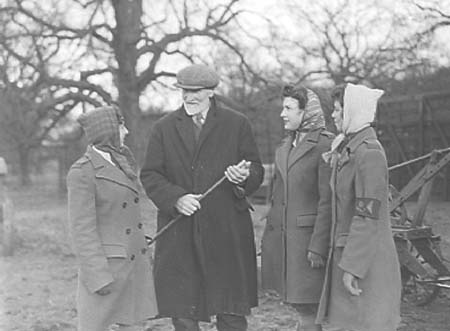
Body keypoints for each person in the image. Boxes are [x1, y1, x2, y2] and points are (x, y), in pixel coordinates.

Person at [140, 64, 264, 331]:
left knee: (230, 311)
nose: (189, 97)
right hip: (180, 233)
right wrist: (176, 199)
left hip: (226, 231)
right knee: (183, 313)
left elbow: (255, 168)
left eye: (196, 91)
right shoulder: (163, 127)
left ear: (211, 92)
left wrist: (243, 176)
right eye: (185, 91)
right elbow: (150, 175)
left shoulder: (236, 123)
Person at [316, 83, 401, 331]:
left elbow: (367, 217)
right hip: (351, 256)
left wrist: (353, 268)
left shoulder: (369, 154)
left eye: (337, 109)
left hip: (366, 265)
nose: (332, 115)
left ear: (353, 111)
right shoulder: (349, 148)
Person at [66, 106, 158, 331]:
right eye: (121, 127)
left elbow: (124, 215)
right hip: (107, 270)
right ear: (108, 132)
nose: (126, 131)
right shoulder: (83, 172)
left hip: (133, 264)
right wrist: (97, 276)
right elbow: (82, 230)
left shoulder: (121, 161)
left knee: (134, 326)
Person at [261, 84, 333, 331]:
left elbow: (328, 201)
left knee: (309, 309)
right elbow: (277, 198)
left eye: (289, 108)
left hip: (308, 246)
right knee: (300, 307)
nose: (283, 114)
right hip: (287, 244)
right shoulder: (285, 146)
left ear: (307, 112)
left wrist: (318, 246)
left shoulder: (325, 146)